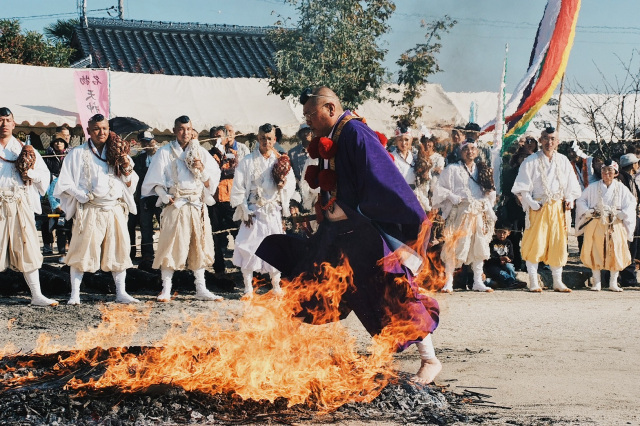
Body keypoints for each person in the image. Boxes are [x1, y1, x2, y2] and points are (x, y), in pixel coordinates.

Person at [256, 87, 442, 384]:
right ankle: (278, 353)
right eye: (304, 116)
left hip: (363, 234)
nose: (307, 121)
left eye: (310, 115)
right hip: (336, 234)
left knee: (395, 291)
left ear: (330, 108)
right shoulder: (333, 136)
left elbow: (384, 179)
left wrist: (395, 219)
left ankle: (430, 360)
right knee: (308, 283)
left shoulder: (356, 132)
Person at [54, 113, 139, 305]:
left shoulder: (118, 151)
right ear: (89, 131)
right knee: (81, 250)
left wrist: (126, 169)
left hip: (114, 208)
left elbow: (130, 182)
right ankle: (75, 293)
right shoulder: (77, 153)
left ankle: (121, 292)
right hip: (91, 207)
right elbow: (64, 183)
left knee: (120, 249)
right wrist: (79, 194)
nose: (102, 132)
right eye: (97, 129)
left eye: (105, 128)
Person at [141, 115, 222, 302]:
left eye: (188, 129)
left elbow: (212, 179)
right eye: (181, 129)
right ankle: (166, 288)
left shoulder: (200, 152)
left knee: (198, 245)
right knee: (170, 245)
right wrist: (163, 195)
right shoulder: (165, 152)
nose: (185, 133)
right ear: (174, 130)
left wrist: (201, 169)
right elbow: (155, 180)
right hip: (175, 203)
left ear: (193, 131)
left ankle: (201, 288)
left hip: (195, 203)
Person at [511, 127, 581, 292]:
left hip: (558, 207)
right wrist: (530, 201)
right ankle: (533, 281)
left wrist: (570, 198)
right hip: (539, 206)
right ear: (540, 140)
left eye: (552, 139)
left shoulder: (563, 160)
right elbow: (521, 188)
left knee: (558, 242)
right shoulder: (531, 161)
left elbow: (572, 184)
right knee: (535, 242)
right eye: (545, 138)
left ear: (557, 141)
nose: (549, 142)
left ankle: (558, 281)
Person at [0, 107, 57, 306]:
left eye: (7, 120)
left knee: (28, 248)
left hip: (19, 203)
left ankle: (36, 295)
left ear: (14, 124)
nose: (4, 124)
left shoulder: (24, 148)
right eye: (0, 120)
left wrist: (29, 175)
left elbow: (45, 176)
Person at [230, 123, 296, 297]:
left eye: (269, 138)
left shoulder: (281, 161)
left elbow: (290, 184)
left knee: (276, 247)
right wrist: (244, 210)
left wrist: (283, 185)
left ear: (274, 140)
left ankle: (276, 286)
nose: (265, 141)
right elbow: (238, 187)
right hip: (254, 210)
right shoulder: (247, 161)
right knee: (248, 246)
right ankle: (248, 288)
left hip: (272, 210)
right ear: (257, 138)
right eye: (262, 138)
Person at [433, 140, 496, 293]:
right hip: (460, 211)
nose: (470, 151)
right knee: (454, 246)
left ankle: (477, 281)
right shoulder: (452, 169)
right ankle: (448, 281)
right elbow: (438, 188)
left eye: (473, 148)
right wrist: (451, 196)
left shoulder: (482, 169)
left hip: (478, 212)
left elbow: (491, 190)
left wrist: (489, 195)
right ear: (461, 152)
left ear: (477, 151)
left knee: (479, 246)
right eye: (466, 149)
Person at [576, 160, 635, 292]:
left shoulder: (621, 188)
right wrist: (587, 211)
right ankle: (596, 282)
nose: (606, 173)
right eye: (604, 171)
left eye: (610, 171)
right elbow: (581, 200)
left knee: (615, 250)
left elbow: (631, 203)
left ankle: (613, 282)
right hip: (596, 221)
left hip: (614, 223)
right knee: (595, 250)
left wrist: (623, 213)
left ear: (615, 173)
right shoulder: (593, 187)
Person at [208, 125, 241, 276]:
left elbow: (235, 171)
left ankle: (244, 267)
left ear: (227, 138)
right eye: (215, 136)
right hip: (214, 200)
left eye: (220, 136)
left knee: (238, 234)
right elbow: (213, 174)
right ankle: (219, 270)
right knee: (215, 236)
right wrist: (223, 170)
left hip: (230, 200)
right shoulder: (208, 155)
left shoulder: (233, 154)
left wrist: (223, 171)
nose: (218, 139)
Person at [129, 130, 161, 265]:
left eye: (149, 141)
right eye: (144, 142)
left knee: (164, 224)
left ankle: (164, 252)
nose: (148, 144)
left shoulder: (161, 155)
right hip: (145, 196)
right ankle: (147, 254)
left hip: (160, 195)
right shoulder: (139, 159)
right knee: (145, 226)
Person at [42, 135, 71, 260]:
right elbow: (51, 194)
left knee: (70, 231)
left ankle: (70, 252)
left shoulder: (72, 176)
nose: (59, 143)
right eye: (56, 142)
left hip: (70, 207)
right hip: (55, 204)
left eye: (62, 142)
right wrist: (57, 206)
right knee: (58, 228)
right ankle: (59, 252)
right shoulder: (47, 157)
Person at [615, 153, 640, 287]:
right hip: (626, 216)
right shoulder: (624, 178)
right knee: (629, 247)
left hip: (628, 216)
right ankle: (628, 278)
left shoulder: (626, 178)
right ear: (632, 165)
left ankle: (625, 277)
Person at [484, 222, 527, 289]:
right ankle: (513, 282)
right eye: (499, 232)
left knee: (509, 267)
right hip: (493, 265)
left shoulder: (508, 242)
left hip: (505, 263)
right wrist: (500, 259)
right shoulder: (492, 242)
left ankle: (512, 283)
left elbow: (511, 256)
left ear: (508, 233)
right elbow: (489, 257)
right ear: (495, 232)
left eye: (504, 232)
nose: (502, 234)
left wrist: (508, 259)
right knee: (501, 273)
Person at [414, 135, 445, 213]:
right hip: (420, 189)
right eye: (425, 141)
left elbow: (439, 171)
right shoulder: (417, 156)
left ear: (434, 143)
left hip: (432, 191)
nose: (427, 144)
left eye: (430, 141)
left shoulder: (438, 158)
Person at [391, 122, 416, 188]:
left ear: (411, 140)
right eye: (400, 140)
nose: (403, 143)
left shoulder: (415, 157)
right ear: (396, 141)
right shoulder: (391, 157)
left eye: (406, 140)